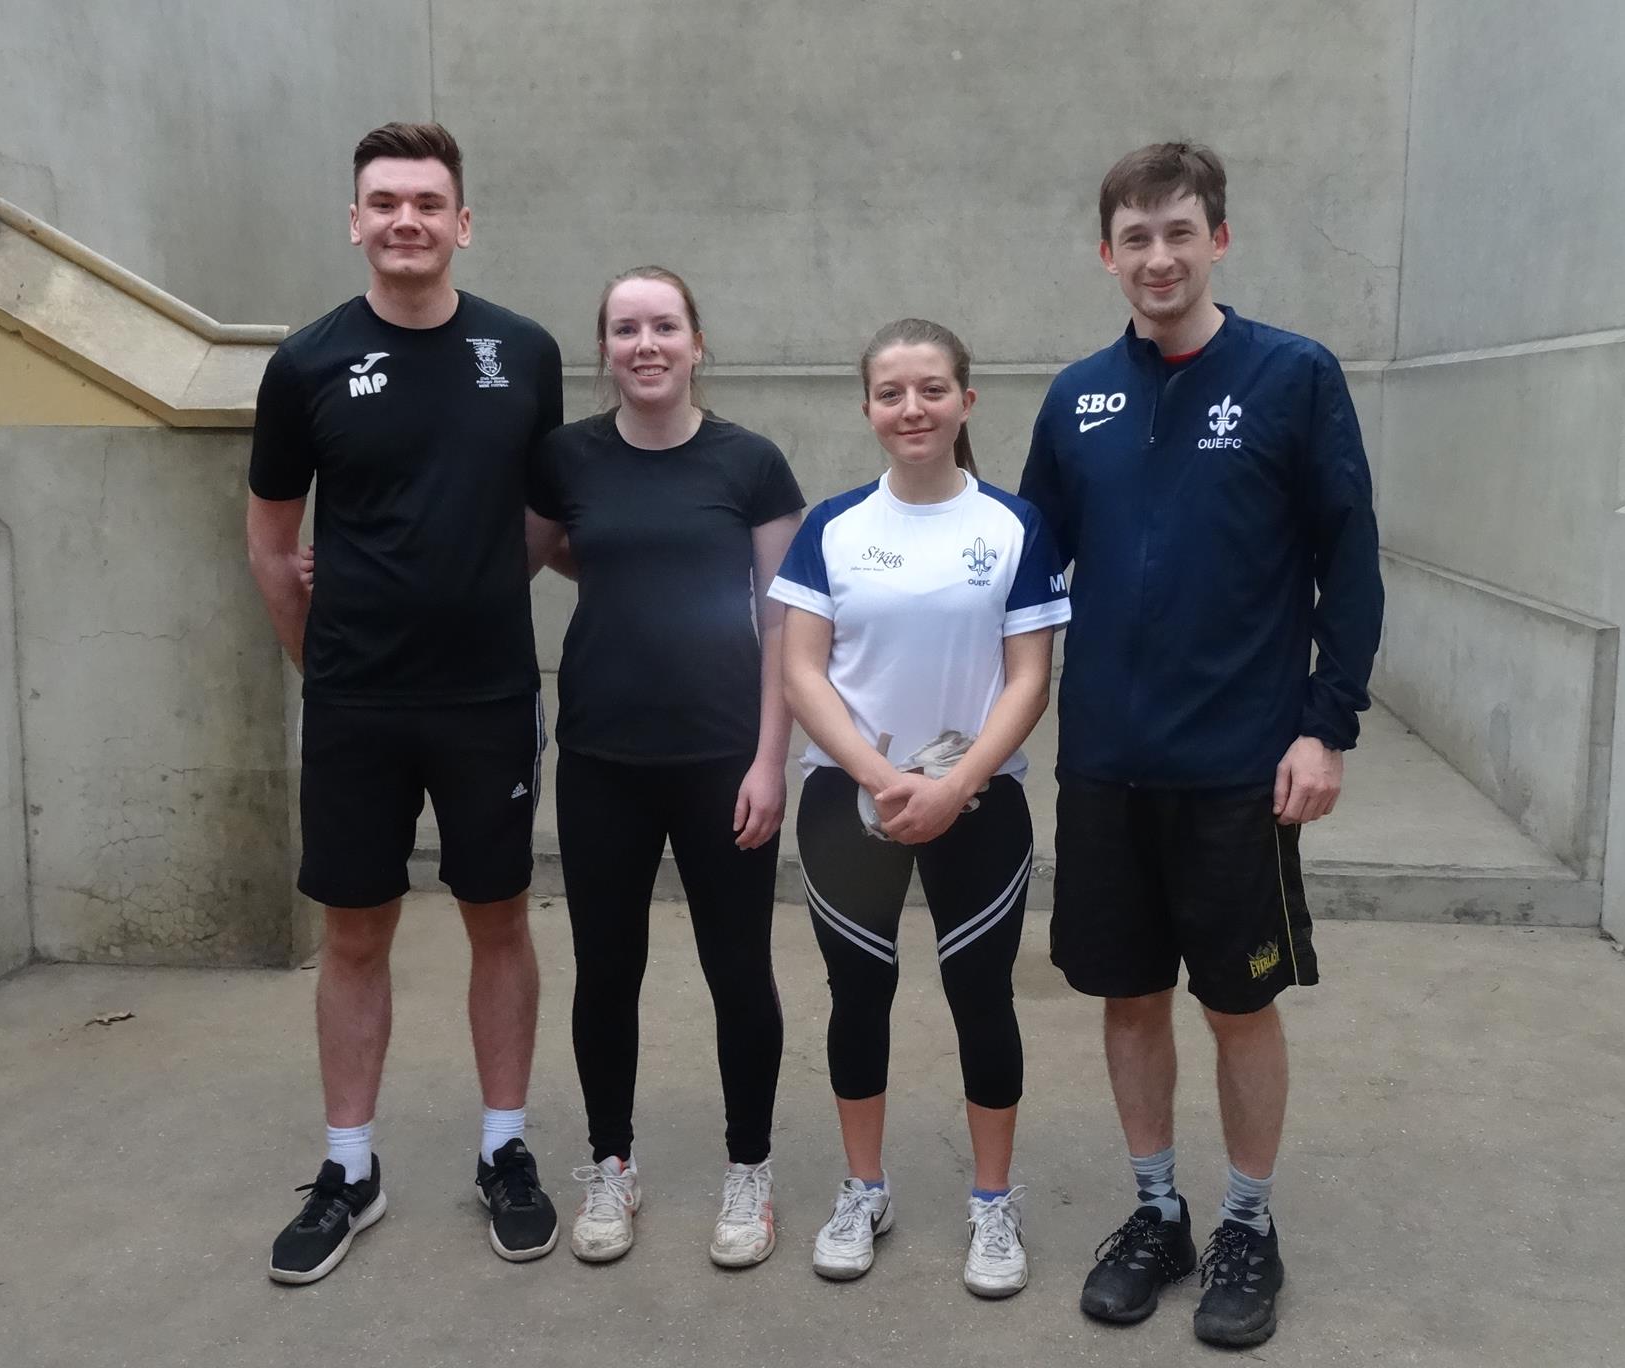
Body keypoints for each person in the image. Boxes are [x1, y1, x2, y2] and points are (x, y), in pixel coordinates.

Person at [1017, 142, 1383, 1347]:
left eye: (1180, 232)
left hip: (1240, 769)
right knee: (1128, 997)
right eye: (1136, 237)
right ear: (1106, 253)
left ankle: (1248, 1224)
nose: (1158, 257)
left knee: (1237, 1006)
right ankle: (1158, 1210)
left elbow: (1352, 564)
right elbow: (1031, 571)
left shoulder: (1293, 377)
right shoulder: (1077, 398)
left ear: (1218, 239)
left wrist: (1326, 727)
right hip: (1107, 763)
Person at [247, 121, 567, 1283]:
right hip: (355, 705)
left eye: (428, 202)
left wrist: (478, 581)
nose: (406, 221)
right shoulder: (307, 365)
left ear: (463, 222)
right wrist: (319, 658)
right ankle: (349, 1168)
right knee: (355, 931)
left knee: (498, 918)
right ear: (355, 221)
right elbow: (274, 541)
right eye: (384, 202)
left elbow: (545, 510)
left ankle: (504, 1148)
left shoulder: (522, 353)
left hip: (488, 696)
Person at [771, 318, 1071, 1298]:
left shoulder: (1013, 526)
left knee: (980, 998)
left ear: (967, 402)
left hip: (980, 804)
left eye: (933, 389)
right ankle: (864, 1191)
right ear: (866, 408)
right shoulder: (833, 528)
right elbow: (802, 669)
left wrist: (952, 784)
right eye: (892, 392)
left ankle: (993, 1204)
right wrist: (881, 778)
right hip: (847, 803)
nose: (913, 408)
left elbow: (1030, 679)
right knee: (859, 998)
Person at [525, 267, 804, 1267]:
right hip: (603, 757)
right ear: (604, 348)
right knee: (607, 971)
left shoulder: (751, 465)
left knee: (738, 971)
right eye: (625, 328)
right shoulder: (566, 459)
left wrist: (773, 758)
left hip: (725, 758)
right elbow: (530, 558)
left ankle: (750, 1173)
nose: (646, 344)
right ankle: (612, 1165)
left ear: (696, 343)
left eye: (665, 326)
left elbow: (787, 623)